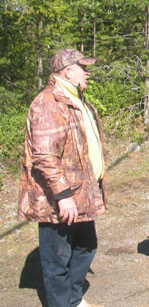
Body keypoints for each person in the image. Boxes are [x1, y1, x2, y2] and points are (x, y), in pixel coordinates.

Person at [18, 49, 107, 307]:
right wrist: (63, 195)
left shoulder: (75, 98)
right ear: (68, 71)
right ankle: (62, 303)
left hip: (82, 193)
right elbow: (45, 156)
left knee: (86, 247)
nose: (88, 72)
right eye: (83, 67)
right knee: (57, 259)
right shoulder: (48, 103)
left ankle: (73, 298)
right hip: (59, 199)